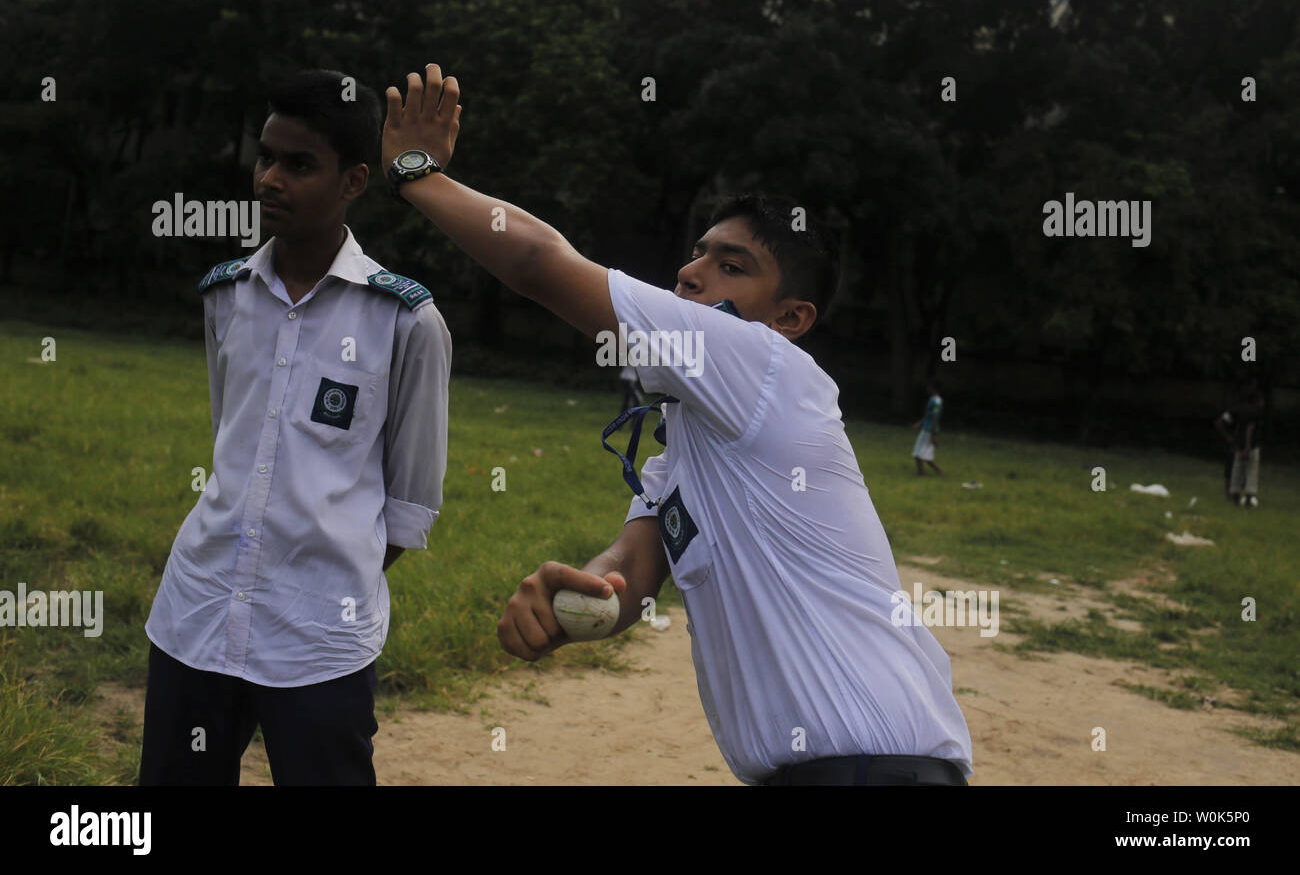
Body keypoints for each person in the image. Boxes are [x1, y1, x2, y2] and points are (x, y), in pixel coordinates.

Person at [383, 64, 972, 785]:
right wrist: (578, 597)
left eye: (732, 266)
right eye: (696, 254)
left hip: (875, 771)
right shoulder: (683, 455)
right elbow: (631, 573)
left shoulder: (765, 366)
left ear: (790, 320)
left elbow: (540, 263)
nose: (692, 274)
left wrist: (417, 175)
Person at [139, 69, 453, 785]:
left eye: (299, 164)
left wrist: (314, 581)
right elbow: (234, 444)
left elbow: (407, 508)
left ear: (354, 182)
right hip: (196, 617)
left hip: (321, 642)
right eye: (266, 157)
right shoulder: (227, 296)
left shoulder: (405, 321)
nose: (270, 180)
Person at [1216, 380, 1264, 507]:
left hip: (1237, 446)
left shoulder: (1235, 409)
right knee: (1251, 472)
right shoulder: (1255, 411)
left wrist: (1228, 437)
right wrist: (1248, 446)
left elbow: (1220, 422)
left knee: (1236, 472)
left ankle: (1235, 499)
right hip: (1251, 446)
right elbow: (1250, 428)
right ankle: (1248, 500)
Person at [911, 377, 944, 476]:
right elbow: (928, 415)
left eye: (928, 386)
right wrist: (920, 423)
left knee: (918, 453)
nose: (926, 388)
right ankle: (925, 472)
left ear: (932, 388)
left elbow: (935, 418)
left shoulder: (937, 402)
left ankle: (925, 472)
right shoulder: (933, 400)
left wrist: (934, 434)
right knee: (920, 453)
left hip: (929, 430)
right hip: (927, 428)